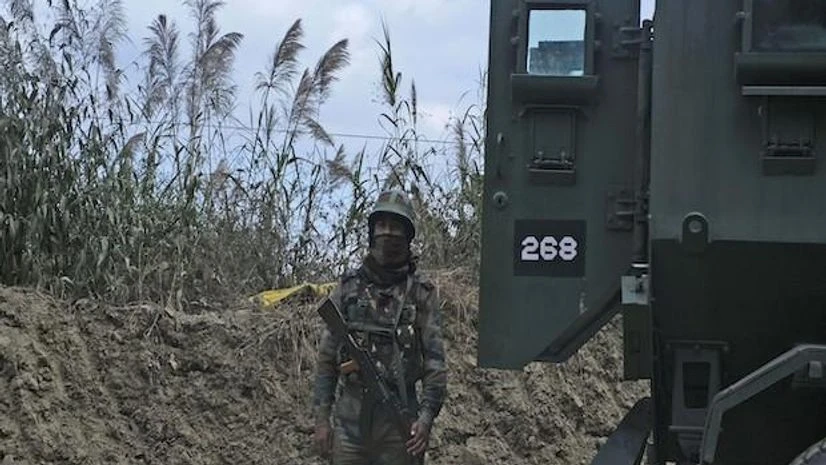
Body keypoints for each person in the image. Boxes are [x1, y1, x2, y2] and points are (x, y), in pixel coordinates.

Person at [312, 189, 447, 464]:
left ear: (408, 236)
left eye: (396, 228)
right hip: (350, 421)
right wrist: (322, 419)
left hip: (398, 423)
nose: (388, 234)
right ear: (372, 232)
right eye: (382, 226)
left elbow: (435, 364)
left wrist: (425, 419)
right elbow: (327, 360)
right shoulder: (349, 287)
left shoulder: (420, 292)